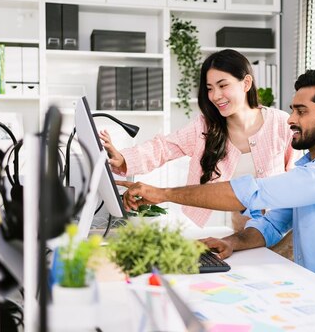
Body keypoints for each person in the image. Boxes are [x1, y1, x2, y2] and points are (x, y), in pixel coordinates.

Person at [118, 69, 315, 295]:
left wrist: (163, 193)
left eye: (301, 111)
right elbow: (271, 223)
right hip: (312, 288)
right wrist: (233, 242)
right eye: (292, 110)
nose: (291, 119)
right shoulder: (311, 168)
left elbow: (251, 193)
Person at [100, 49, 301, 231]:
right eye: (210, 88)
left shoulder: (281, 123)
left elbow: (296, 180)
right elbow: (165, 147)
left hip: (282, 230)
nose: (215, 96)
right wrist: (124, 158)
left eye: (223, 85)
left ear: (246, 83)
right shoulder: (205, 127)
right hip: (242, 231)